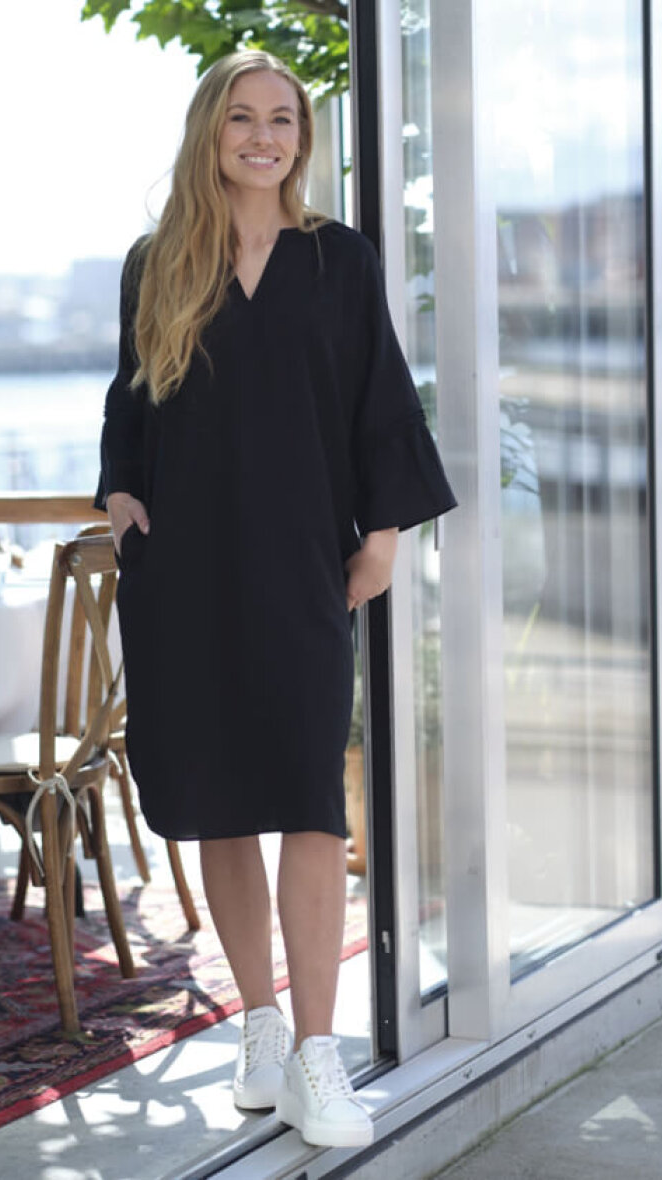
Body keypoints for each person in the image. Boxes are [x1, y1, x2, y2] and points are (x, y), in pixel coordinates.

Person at [95, 49, 456, 1150]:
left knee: (309, 799)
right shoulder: (157, 263)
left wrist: (383, 535)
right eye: (243, 118)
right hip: (186, 575)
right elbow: (129, 405)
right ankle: (258, 1027)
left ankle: (317, 1054)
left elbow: (380, 399)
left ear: (302, 138)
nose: (264, 136)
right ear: (211, 132)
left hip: (302, 563)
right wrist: (121, 496)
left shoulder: (337, 258)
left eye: (283, 119)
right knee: (221, 800)